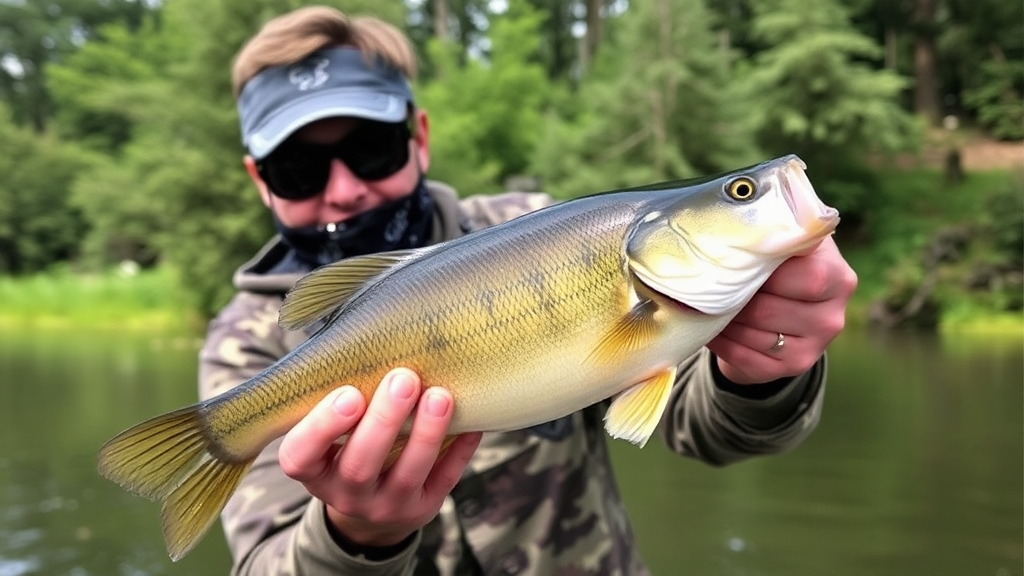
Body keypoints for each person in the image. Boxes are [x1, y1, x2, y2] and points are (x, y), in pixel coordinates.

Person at [198, 6, 858, 575]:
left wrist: (761, 374)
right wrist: (356, 535)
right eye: (299, 168)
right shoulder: (244, 345)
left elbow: (712, 431)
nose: (343, 190)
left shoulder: (541, 229)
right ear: (260, 180)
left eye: (371, 149)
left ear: (418, 138)